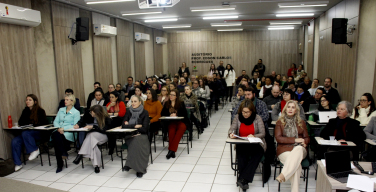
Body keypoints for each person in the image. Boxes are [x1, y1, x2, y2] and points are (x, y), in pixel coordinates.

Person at [228, 100, 266, 190]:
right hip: (242, 143)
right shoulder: (237, 117)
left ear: (251, 111)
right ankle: (244, 181)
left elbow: (262, 133)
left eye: (247, 112)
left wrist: (254, 135)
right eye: (243, 112)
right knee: (241, 156)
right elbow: (231, 130)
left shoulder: (257, 118)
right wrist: (231, 134)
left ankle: (242, 179)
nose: (245, 114)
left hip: (255, 143)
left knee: (257, 155)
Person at [274, 100, 310, 192]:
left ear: (296, 110)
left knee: (298, 148)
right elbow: (278, 138)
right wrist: (295, 140)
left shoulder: (301, 122)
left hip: (300, 149)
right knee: (296, 165)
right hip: (284, 149)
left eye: (293, 107)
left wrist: (304, 141)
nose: (290, 109)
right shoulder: (279, 122)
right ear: (285, 109)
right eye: (288, 107)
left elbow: (307, 138)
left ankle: (284, 175)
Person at [12, 94, 48, 171]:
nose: (27, 102)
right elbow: (21, 122)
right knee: (15, 141)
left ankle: (34, 149)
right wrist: (27, 124)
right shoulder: (25, 111)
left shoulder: (40, 111)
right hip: (26, 133)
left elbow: (43, 123)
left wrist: (32, 125)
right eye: (27, 100)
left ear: (35, 102)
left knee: (26, 133)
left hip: (37, 133)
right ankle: (18, 163)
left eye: (30, 100)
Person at [72, 105, 112, 173]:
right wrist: (78, 125)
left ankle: (81, 154)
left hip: (103, 136)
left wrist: (93, 127)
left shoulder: (106, 118)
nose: (92, 114)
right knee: (93, 144)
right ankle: (96, 166)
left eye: (93, 113)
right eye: (91, 113)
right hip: (92, 136)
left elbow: (105, 130)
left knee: (90, 136)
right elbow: (81, 121)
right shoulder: (88, 113)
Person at [121, 95, 150, 178]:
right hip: (130, 135)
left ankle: (133, 166)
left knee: (137, 141)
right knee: (135, 140)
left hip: (142, 135)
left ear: (140, 102)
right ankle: (138, 168)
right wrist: (135, 126)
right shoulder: (128, 112)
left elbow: (144, 129)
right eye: (132, 101)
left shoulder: (145, 112)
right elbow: (123, 125)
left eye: (135, 101)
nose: (133, 103)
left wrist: (130, 125)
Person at [52, 94, 80, 173]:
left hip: (69, 132)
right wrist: (59, 128)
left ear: (72, 101)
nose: (65, 101)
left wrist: (64, 129)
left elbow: (74, 125)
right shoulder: (61, 110)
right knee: (57, 136)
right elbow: (56, 121)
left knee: (56, 140)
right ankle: (64, 152)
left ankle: (60, 165)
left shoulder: (76, 112)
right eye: (65, 100)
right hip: (58, 131)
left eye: (67, 100)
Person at [161, 89, 190, 159]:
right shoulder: (167, 103)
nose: (171, 96)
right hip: (171, 122)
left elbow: (185, 114)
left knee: (181, 129)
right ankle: (172, 151)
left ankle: (171, 150)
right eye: (170, 94)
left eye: (173, 95)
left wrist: (176, 114)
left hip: (180, 121)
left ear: (176, 96)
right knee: (171, 132)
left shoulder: (181, 103)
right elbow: (162, 114)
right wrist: (170, 115)